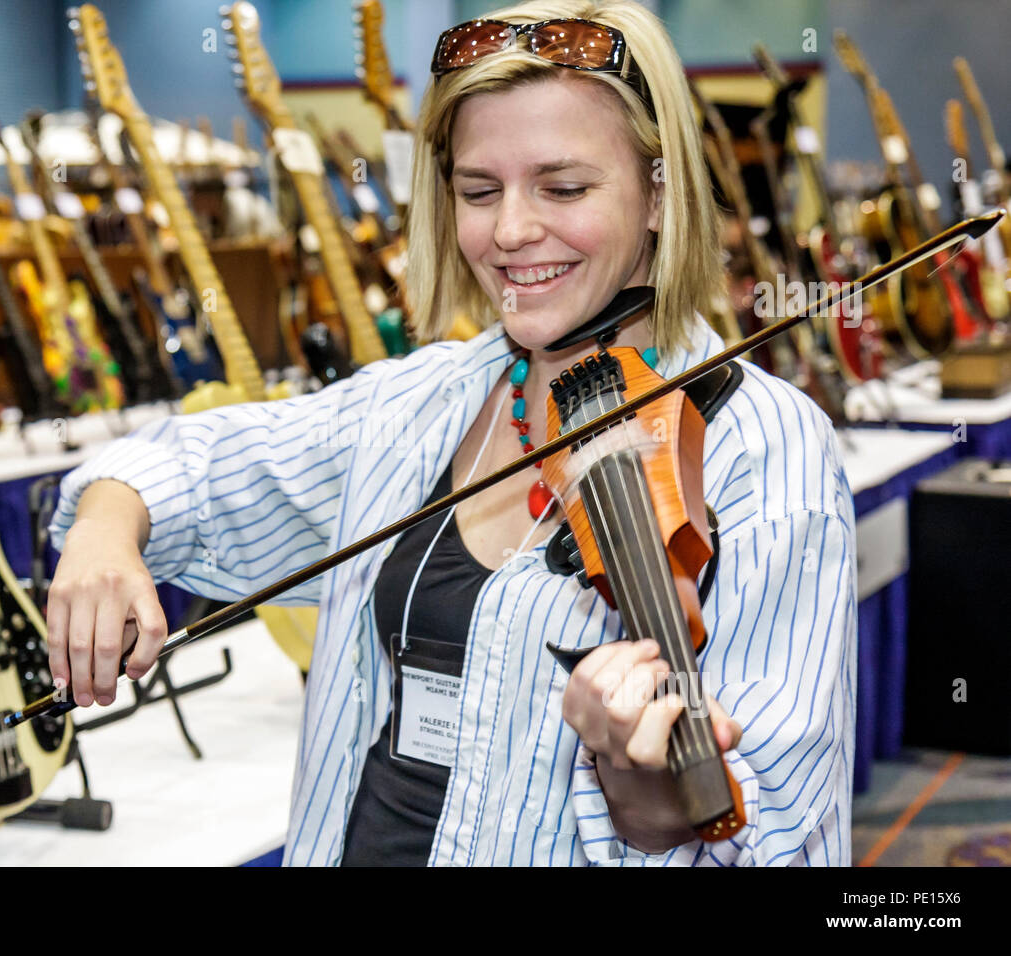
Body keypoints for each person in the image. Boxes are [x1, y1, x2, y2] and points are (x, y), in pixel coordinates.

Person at [46, 0, 856, 866]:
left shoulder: (767, 451)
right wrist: (105, 529)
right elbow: (185, 469)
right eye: (479, 191)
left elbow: (773, 825)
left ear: (659, 194)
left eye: (564, 187)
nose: (510, 231)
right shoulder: (420, 401)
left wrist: (640, 788)